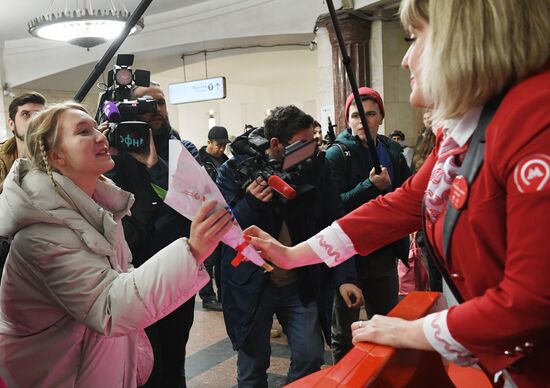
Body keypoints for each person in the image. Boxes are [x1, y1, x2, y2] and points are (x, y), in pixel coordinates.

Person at [243, 0, 550, 386]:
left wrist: (409, 331)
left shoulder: (537, 118)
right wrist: (292, 255)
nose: (405, 59)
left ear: (467, 39)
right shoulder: (468, 127)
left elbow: (531, 303)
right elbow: (400, 205)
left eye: (416, 36)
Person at [0, 102, 233, 387]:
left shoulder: (96, 210)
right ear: (55, 155)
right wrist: (192, 251)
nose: (101, 136)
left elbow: (119, 275)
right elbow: (108, 306)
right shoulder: (41, 237)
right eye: (84, 131)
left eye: (97, 128)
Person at [217, 105, 362, 387]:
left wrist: (346, 277)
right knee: (252, 367)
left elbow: (336, 223)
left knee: (310, 357)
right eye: (304, 144)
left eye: (314, 143)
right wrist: (250, 205)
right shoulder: (234, 170)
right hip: (251, 285)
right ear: (276, 144)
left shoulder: (316, 169)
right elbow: (223, 229)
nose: (312, 150)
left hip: (301, 281)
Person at [104, 82, 200, 387]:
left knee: (174, 357)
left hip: (177, 269)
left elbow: (194, 203)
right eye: (145, 104)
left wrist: (154, 164)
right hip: (132, 272)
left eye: (160, 103)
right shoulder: (114, 154)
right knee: (146, 363)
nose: (155, 110)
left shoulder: (181, 150)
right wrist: (111, 156)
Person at [325, 87, 411, 363]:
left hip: (384, 251)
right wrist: (369, 186)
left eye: (370, 114)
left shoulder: (393, 152)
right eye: (356, 116)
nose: (363, 121)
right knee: (344, 331)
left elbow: (408, 196)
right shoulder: (336, 155)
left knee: (385, 322)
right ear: (348, 120)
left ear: (380, 117)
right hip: (348, 254)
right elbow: (335, 206)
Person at [198, 125, 232, 311]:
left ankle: (222, 294)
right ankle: (207, 297)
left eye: (224, 146)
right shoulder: (199, 161)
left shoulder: (226, 161)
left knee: (220, 260)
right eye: (218, 145)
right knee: (208, 260)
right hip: (207, 215)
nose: (221, 149)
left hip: (223, 215)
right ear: (209, 142)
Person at [0, 91, 46, 192]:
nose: (33, 120)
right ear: (11, 124)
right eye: (26, 114)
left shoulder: (58, 154)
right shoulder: (1, 156)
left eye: (39, 115)